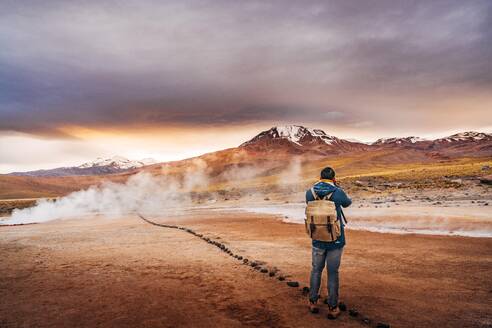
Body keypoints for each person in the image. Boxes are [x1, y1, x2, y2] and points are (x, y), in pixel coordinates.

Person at [305, 166, 352, 319]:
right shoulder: (337, 192)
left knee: (316, 270)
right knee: (332, 273)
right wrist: (337, 188)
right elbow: (347, 203)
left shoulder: (310, 192)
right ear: (333, 178)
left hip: (317, 238)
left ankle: (313, 302)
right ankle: (332, 307)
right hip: (336, 239)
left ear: (320, 177)